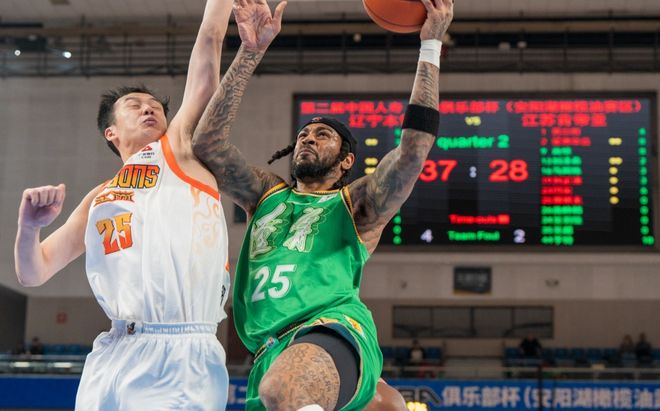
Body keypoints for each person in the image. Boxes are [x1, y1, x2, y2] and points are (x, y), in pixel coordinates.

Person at [191, 0, 453, 409]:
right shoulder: (267, 194)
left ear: (347, 161)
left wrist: (431, 45)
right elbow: (207, 145)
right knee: (291, 392)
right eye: (303, 135)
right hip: (269, 352)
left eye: (322, 135)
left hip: (331, 326)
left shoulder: (357, 205)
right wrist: (250, 52)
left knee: (282, 390)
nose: (308, 138)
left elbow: (413, 151)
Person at [13, 1, 233, 409]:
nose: (149, 107)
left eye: (156, 107)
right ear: (111, 132)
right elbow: (33, 272)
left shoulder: (178, 151)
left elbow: (209, 44)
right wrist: (29, 228)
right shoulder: (100, 197)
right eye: (134, 104)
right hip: (114, 351)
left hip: (180, 351)